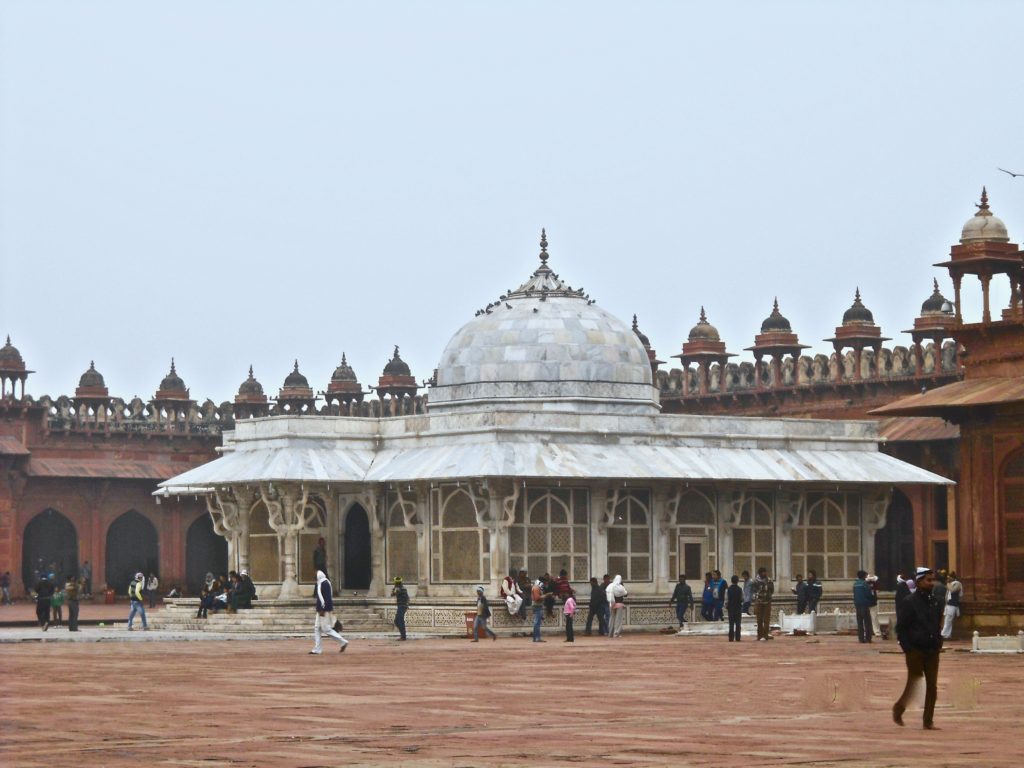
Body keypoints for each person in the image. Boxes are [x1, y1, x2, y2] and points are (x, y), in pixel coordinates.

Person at [893, 567, 944, 729]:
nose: (931, 583)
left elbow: (936, 624)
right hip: (915, 649)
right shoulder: (909, 602)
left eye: (932, 580)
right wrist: (907, 647)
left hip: (932, 649)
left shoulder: (935, 601)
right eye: (928, 580)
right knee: (915, 682)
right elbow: (900, 628)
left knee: (932, 687)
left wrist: (938, 642)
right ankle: (899, 708)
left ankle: (928, 721)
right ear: (919, 581)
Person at [311, 569, 348, 654]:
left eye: (316, 575)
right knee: (317, 628)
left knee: (326, 629)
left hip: (323, 610)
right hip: (320, 609)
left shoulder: (325, 583)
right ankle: (317, 649)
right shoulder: (321, 583)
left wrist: (323, 609)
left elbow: (327, 598)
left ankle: (343, 642)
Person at [853, 570, 876, 643]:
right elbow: (868, 594)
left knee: (860, 623)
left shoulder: (855, 584)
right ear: (863, 576)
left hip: (857, 604)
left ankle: (861, 639)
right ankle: (868, 638)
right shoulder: (865, 584)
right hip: (865, 604)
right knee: (867, 623)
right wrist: (872, 599)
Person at [752, 567, 774, 640]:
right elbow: (754, 590)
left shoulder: (769, 580)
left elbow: (771, 590)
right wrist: (757, 597)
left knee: (766, 619)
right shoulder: (755, 581)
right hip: (759, 601)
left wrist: (767, 595)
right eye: (763, 572)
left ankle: (765, 635)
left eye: (765, 572)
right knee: (759, 619)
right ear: (760, 573)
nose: (765, 574)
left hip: (767, 601)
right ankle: (759, 635)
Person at [941, 571, 962, 640]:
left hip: (953, 605)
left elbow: (953, 590)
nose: (948, 579)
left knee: (948, 620)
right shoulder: (950, 584)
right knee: (947, 620)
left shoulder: (957, 584)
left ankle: (944, 634)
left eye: (949, 578)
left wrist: (948, 584)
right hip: (948, 605)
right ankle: (947, 635)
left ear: (953, 578)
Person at [726, 575, 743, 641]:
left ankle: (731, 637)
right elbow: (742, 598)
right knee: (738, 624)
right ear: (737, 581)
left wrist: (727, 606)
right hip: (738, 608)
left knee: (731, 623)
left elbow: (726, 599)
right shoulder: (740, 589)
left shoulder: (728, 589)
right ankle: (738, 637)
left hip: (731, 608)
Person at [392, 576, 409, 640]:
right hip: (401, 606)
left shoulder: (401, 589)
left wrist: (394, 589)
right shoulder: (399, 588)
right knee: (397, 621)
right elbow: (392, 594)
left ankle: (403, 636)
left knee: (400, 621)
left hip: (402, 606)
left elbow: (393, 594)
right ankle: (403, 635)